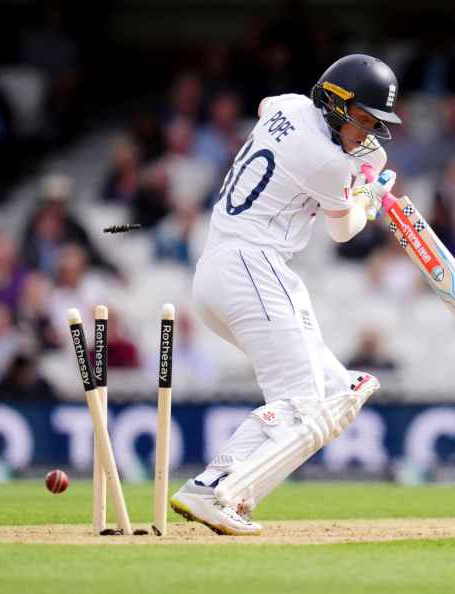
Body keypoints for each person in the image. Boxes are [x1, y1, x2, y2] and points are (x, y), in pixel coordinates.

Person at [171, 54, 399, 535]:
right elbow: (344, 233)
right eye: (363, 119)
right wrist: (369, 195)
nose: (368, 133)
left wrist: (360, 169)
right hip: (252, 268)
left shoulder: (291, 105)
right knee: (302, 404)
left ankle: (237, 492)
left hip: (225, 269)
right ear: (335, 103)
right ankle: (212, 488)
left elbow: (264, 106)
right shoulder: (327, 162)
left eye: (375, 123)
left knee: (337, 395)